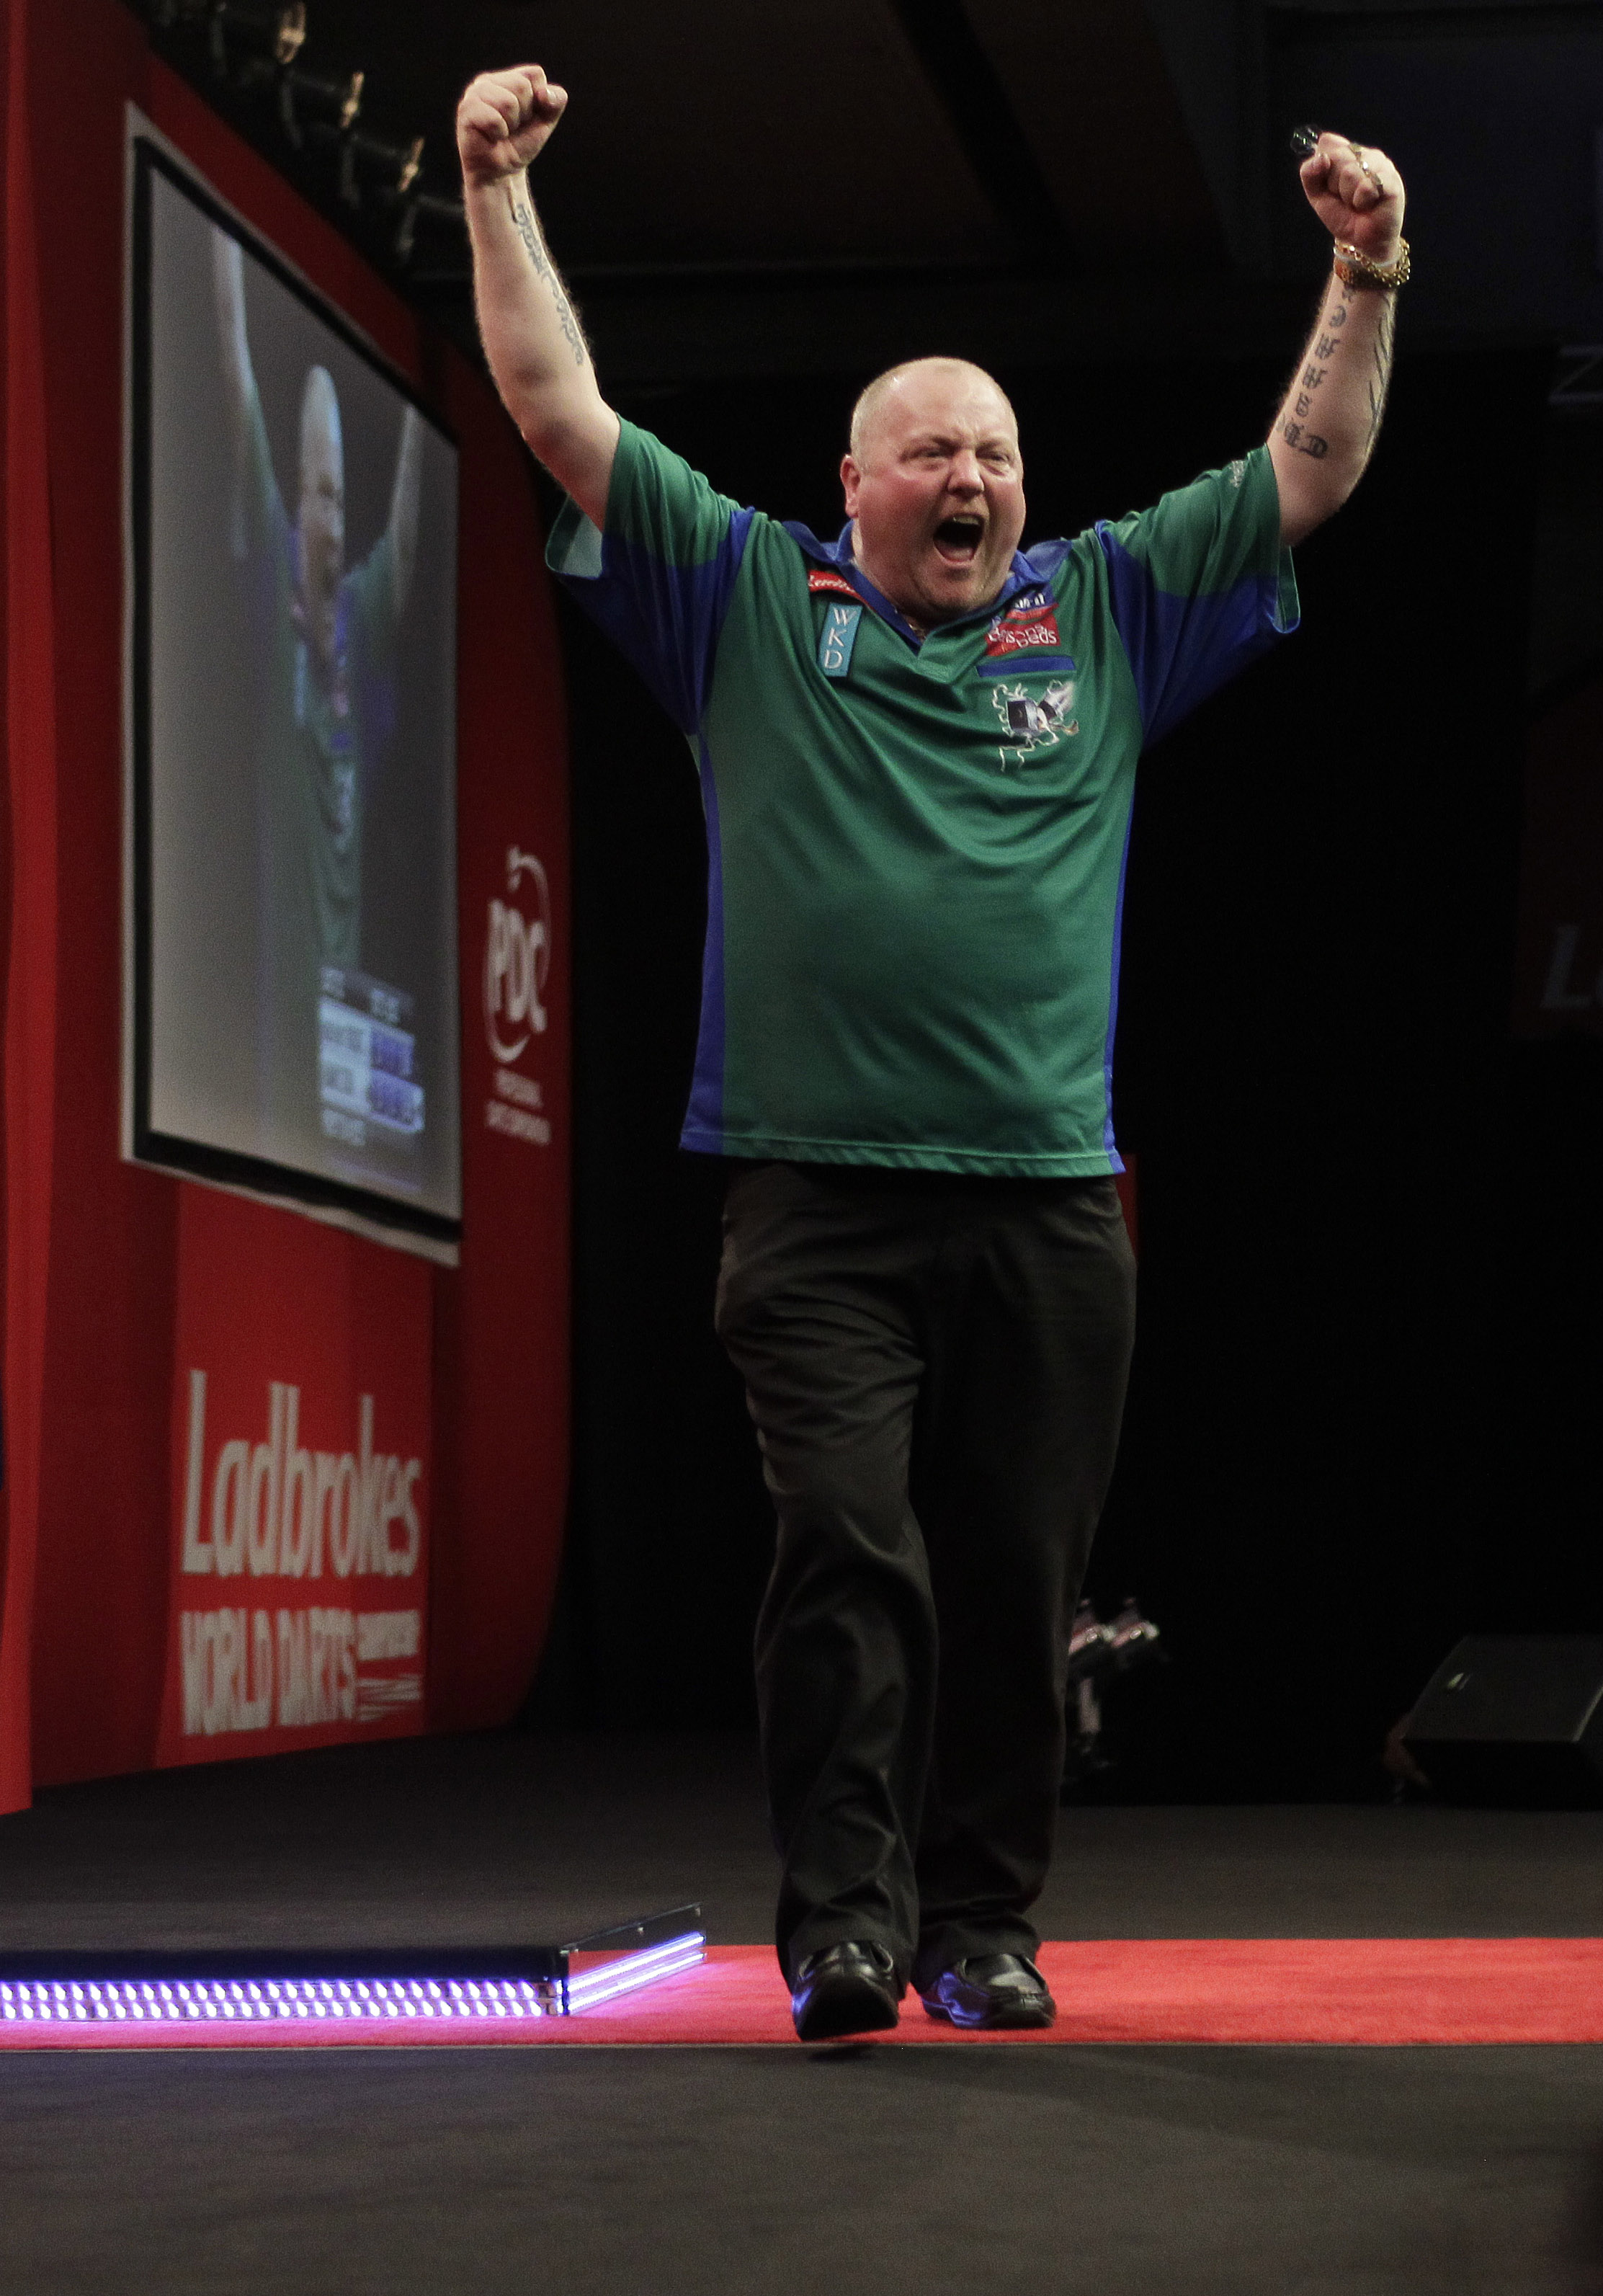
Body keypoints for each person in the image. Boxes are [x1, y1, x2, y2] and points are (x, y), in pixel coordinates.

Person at [455, 64, 1408, 2039]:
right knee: (845, 1549)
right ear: (857, 483)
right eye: (933, 452)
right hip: (814, 1198)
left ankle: (982, 1924)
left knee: (1013, 1580)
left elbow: (1306, 468)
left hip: (1050, 1204)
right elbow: (558, 410)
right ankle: (841, 1923)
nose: (971, 478)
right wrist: (491, 187)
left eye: (996, 452)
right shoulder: (744, 596)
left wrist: (1367, 274)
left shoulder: (1109, 608)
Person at [210, 233, 425, 1147]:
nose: (322, 518)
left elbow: (410, 510)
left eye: (335, 498)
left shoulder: (363, 621)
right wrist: (223, 236)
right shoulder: (274, 588)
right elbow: (235, 367)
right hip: (272, 1048)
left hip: (348, 1048)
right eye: (310, 492)